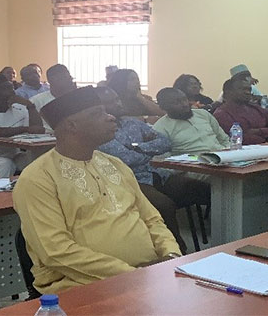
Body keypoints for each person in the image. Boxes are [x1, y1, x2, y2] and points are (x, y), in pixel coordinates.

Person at [13, 87, 181, 294]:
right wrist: (130, 274)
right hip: (80, 286)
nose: (110, 117)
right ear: (72, 125)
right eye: (98, 113)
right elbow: (55, 251)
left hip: (148, 278)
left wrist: (171, 256)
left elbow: (152, 219)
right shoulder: (38, 178)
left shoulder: (115, 164)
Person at [96, 87, 210, 253]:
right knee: (164, 205)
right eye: (112, 102)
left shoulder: (133, 123)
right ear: (100, 108)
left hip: (157, 173)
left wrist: (137, 147)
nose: (118, 103)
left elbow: (165, 142)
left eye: (117, 99)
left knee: (200, 189)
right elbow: (126, 159)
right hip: (130, 180)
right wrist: (148, 151)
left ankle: (227, 241)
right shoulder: (100, 131)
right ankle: (176, 252)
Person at [154, 88, 230, 155]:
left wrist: (230, 154)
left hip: (222, 159)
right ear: (164, 107)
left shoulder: (203, 114)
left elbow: (224, 139)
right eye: (176, 103)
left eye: (184, 99)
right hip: (193, 164)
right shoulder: (160, 128)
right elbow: (162, 160)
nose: (184, 104)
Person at [214, 77, 268, 145]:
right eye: (242, 89)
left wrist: (257, 131)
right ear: (228, 92)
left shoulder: (257, 109)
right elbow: (241, 140)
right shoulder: (221, 114)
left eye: (249, 89)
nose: (248, 92)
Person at [30, 64, 78, 131]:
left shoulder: (78, 99)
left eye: (70, 78)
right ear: (51, 80)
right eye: (65, 78)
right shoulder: (36, 101)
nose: (70, 81)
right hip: (46, 138)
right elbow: (32, 127)